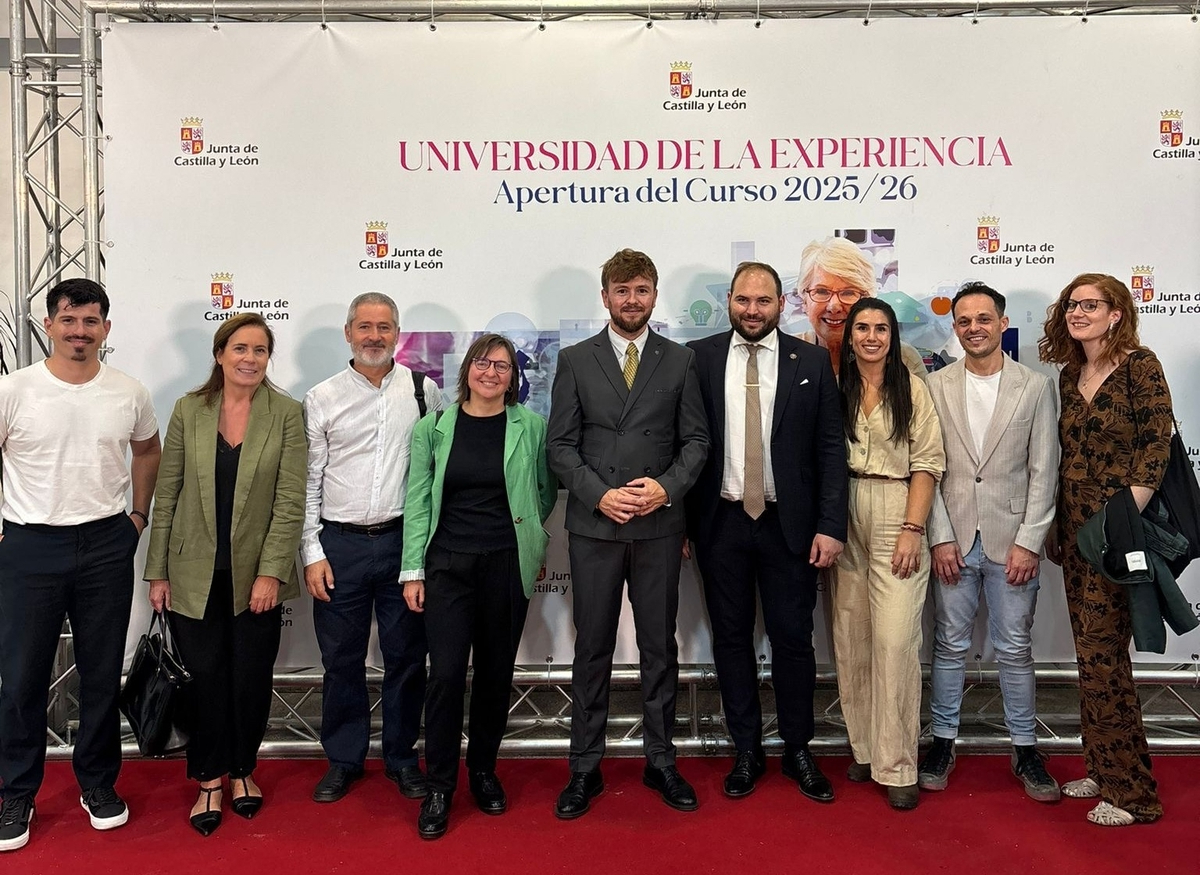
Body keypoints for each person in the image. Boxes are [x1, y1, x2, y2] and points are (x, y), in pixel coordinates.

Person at [0, 279, 161, 853]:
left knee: (99, 674)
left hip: (104, 545)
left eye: (91, 322)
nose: (79, 332)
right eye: (68, 321)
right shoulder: (14, 390)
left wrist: (136, 519)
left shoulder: (128, 392)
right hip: (28, 545)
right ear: (48, 325)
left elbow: (148, 450)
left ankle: (97, 784)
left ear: (106, 329)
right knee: (21, 678)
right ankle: (15, 792)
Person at [547, 248, 709, 818]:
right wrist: (599, 494)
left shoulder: (680, 360)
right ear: (605, 296)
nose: (631, 300)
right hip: (595, 525)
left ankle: (661, 762)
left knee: (658, 648)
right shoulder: (574, 359)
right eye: (622, 291)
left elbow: (696, 442)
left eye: (641, 290)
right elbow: (559, 446)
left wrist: (667, 488)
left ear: (654, 295)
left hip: (660, 525)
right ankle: (584, 768)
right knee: (591, 649)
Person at [684, 262, 846, 801]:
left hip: (790, 527)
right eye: (743, 300)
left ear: (782, 304)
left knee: (794, 641)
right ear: (730, 300)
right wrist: (684, 524)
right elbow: (682, 444)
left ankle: (799, 749)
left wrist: (830, 525)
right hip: (720, 522)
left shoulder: (813, 361)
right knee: (730, 640)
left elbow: (829, 450)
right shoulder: (699, 359)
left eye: (764, 301)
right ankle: (746, 750)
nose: (753, 311)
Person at [144, 312, 306, 836]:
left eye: (260, 351)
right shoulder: (188, 410)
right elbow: (165, 493)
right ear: (219, 354)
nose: (250, 359)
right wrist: (157, 572)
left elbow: (290, 501)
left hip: (255, 578)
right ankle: (209, 777)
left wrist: (272, 573)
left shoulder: (285, 413)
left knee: (250, 679)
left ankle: (242, 771)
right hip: (191, 575)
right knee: (205, 681)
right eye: (240, 349)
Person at [400, 333, 557, 839]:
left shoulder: (530, 426)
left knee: (494, 674)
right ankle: (441, 785)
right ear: (467, 369)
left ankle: (484, 772)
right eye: (483, 363)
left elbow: (544, 490)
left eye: (503, 366)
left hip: (506, 565)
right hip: (447, 566)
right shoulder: (434, 427)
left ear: (514, 377)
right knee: (445, 676)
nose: (491, 373)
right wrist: (413, 570)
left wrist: (531, 537)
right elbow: (418, 500)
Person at [1039, 273, 1172, 826]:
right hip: (1074, 534)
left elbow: (1154, 448)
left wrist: (1118, 524)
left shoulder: (1141, 366)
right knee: (1094, 658)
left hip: (1115, 535)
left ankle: (1132, 795)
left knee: (1104, 660)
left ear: (1116, 312)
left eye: (1090, 305)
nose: (1077, 312)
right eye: (1072, 304)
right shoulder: (1071, 374)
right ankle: (1105, 765)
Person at [920, 282, 1060, 801]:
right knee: (949, 646)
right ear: (954, 328)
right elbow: (927, 469)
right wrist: (938, 537)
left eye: (984, 319)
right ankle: (942, 741)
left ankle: (1025, 749)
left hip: (1012, 542)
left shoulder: (1036, 387)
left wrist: (1030, 540)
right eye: (963, 321)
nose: (973, 328)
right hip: (953, 538)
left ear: (1003, 323)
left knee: (1015, 648)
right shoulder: (935, 387)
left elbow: (1045, 471)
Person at [302, 292, 441, 804]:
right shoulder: (321, 398)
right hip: (339, 545)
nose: (374, 336)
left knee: (406, 657)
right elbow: (308, 482)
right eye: (365, 327)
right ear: (348, 333)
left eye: (384, 327)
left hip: (404, 543)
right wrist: (311, 552)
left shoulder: (426, 393)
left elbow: (433, 480)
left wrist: (422, 557)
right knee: (341, 659)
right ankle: (344, 759)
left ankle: (403, 758)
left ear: (398, 334)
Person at [831, 298, 944, 811]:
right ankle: (865, 748)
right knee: (852, 636)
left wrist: (912, 528)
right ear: (850, 336)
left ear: (893, 336)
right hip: (845, 508)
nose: (871, 336)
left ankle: (898, 763)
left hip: (898, 506)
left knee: (895, 641)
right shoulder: (838, 387)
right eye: (862, 328)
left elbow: (927, 464)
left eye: (881, 328)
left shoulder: (913, 387)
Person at [795, 236, 927, 381]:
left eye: (848, 293)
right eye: (821, 291)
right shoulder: (785, 356)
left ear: (867, 300)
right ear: (804, 300)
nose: (834, 306)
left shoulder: (904, 359)